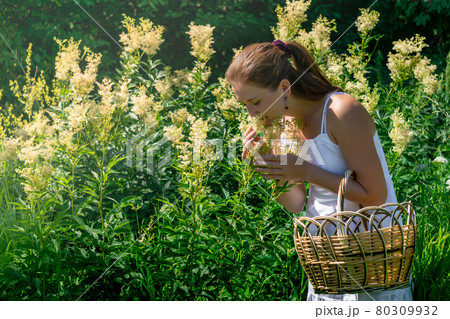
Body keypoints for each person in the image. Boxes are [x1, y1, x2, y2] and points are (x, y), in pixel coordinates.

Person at [224, 40, 413, 301]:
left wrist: (307, 172)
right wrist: (270, 165)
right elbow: (296, 203)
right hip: (326, 254)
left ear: (284, 88)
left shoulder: (341, 111)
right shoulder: (285, 124)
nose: (251, 113)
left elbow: (376, 196)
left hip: (369, 249)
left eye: (255, 101)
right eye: (244, 104)